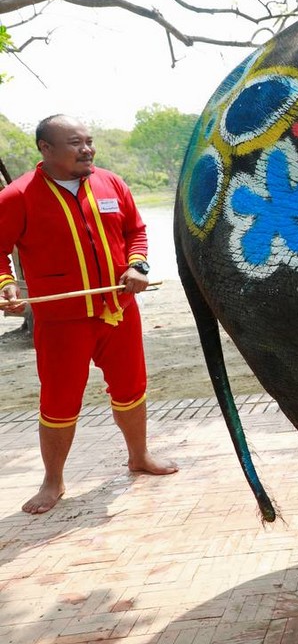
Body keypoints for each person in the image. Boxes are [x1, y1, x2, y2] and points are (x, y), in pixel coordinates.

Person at [0, 115, 177, 515]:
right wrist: (5, 285)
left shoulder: (111, 183)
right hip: (62, 321)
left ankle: (139, 456)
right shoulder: (18, 195)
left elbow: (136, 230)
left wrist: (138, 266)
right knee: (60, 401)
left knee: (132, 388)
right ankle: (53, 480)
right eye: (75, 142)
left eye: (89, 141)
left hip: (119, 310)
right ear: (45, 149)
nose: (87, 149)